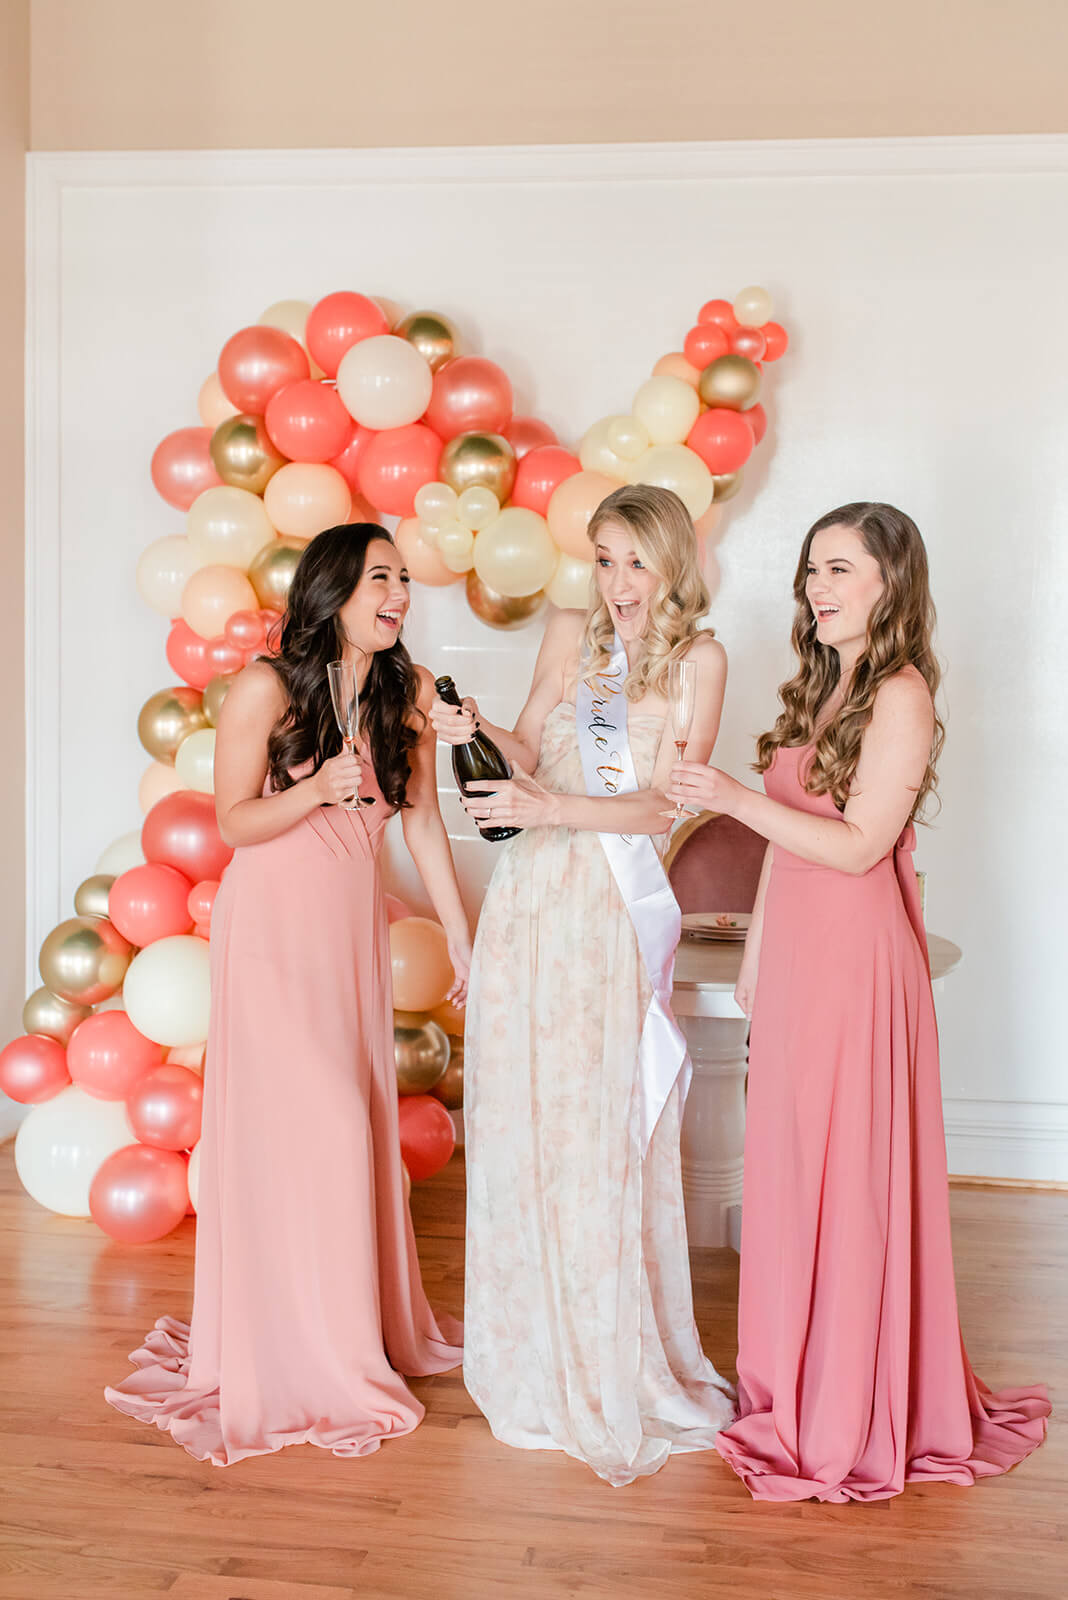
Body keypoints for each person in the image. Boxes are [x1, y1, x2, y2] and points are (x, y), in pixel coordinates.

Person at [668, 501, 1050, 1502]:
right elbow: (786, 842)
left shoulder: (901, 695)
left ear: (891, 582)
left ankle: (851, 1398)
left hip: (860, 961)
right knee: (791, 1169)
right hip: (797, 953)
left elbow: (858, 845)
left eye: (839, 569)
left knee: (849, 1176)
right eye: (810, 570)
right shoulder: (823, 685)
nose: (817, 588)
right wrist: (758, 941)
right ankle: (790, 1381)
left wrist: (727, 795)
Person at [106, 523, 468, 1465]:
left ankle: (341, 1334)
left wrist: (470, 943)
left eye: (402, 579)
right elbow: (234, 819)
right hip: (270, 943)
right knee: (325, 1130)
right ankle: (310, 1354)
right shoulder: (266, 686)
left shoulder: (407, 693)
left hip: (347, 947)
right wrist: (316, 790)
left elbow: (425, 830)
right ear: (333, 589)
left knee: (348, 1136)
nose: (397, 594)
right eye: (379, 577)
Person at [432, 483, 736, 1486]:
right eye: (604, 558)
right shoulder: (572, 632)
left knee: (597, 1126)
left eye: (637, 562)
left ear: (674, 564)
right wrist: (477, 727)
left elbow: (661, 809)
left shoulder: (699, 659)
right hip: (530, 908)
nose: (617, 582)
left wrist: (547, 802)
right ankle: (529, 1350)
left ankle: (612, 1352)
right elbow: (525, 744)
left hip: (607, 918)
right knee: (527, 1119)